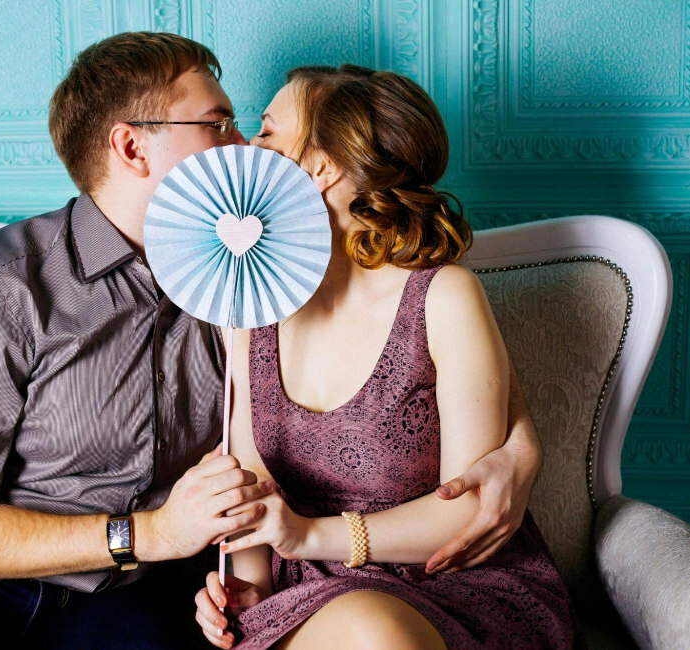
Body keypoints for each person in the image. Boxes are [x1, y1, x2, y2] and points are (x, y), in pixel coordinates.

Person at [0, 32, 544, 649]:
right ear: (130, 145)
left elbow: (275, 457)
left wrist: (521, 447)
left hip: (124, 594)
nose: (240, 146)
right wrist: (155, 536)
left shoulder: (248, 277)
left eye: (252, 127)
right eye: (219, 124)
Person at [193, 65, 577, 649]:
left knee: (373, 630)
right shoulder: (247, 305)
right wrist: (244, 590)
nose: (248, 147)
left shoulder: (443, 297)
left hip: (449, 584)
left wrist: (308, 537)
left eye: (267, 132)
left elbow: (469, 509)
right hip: (305, 593)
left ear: (322, 167)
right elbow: (251, 485)